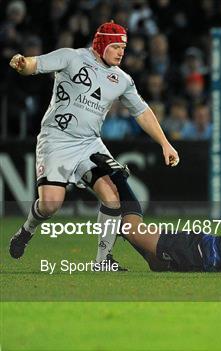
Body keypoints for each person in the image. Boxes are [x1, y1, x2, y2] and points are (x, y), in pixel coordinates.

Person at [8, 21, 179, 268]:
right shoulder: (71, 57)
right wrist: (22, 63)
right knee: (50, 205)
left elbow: (142, 112)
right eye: (117, 46)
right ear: (102, 44)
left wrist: (165, 143)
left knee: (112, 197)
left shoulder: (122, 79)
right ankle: (27, 230)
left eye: (124, 47)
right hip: (57, 139)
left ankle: (102, 260)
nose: (122, 52)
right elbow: (36, 64)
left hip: (89, 144)